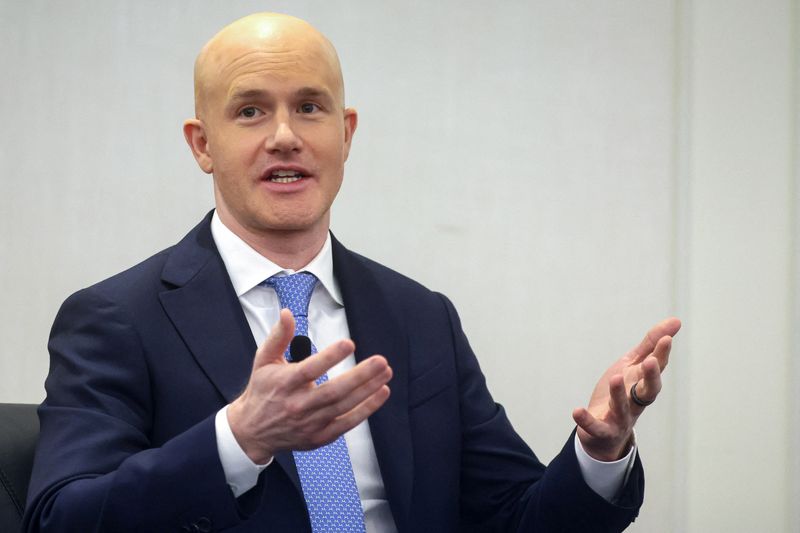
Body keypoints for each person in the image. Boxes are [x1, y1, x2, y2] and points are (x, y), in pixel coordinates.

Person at [24, 12, 680, 533]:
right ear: (202, 144)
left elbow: (514, 516)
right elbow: (62, 517)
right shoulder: (117, 318)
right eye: (250, 110)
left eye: (310, 107)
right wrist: (239, 438)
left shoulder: (420, 317)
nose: (285, 135)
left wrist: (600, 451)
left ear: (346, 133)